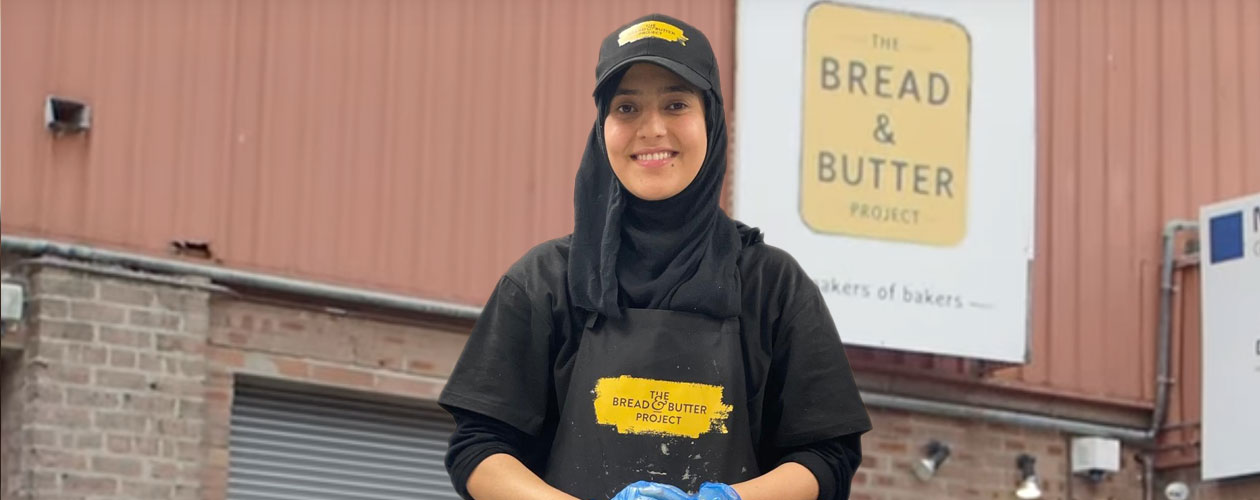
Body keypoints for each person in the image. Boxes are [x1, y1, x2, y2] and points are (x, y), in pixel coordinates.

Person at [438, 13, 871, 500]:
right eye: (626, 107)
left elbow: (827, 456)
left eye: (676, 104)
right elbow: (479, 448)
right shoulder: (543, 282)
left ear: (711, 120)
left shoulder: (772, 287)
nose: (652, 128)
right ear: (602, 128)